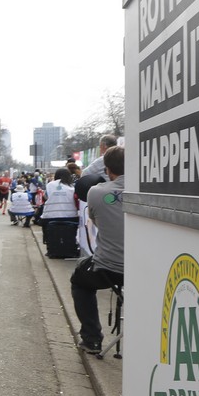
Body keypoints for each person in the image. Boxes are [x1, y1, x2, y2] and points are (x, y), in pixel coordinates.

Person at [71, 146, 125, 355]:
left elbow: (95, 221)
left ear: (107, 169)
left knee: (79, 280)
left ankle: (92, 339)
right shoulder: (148, 191)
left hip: (109, 268)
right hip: (145, 269)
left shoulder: (96, 192)